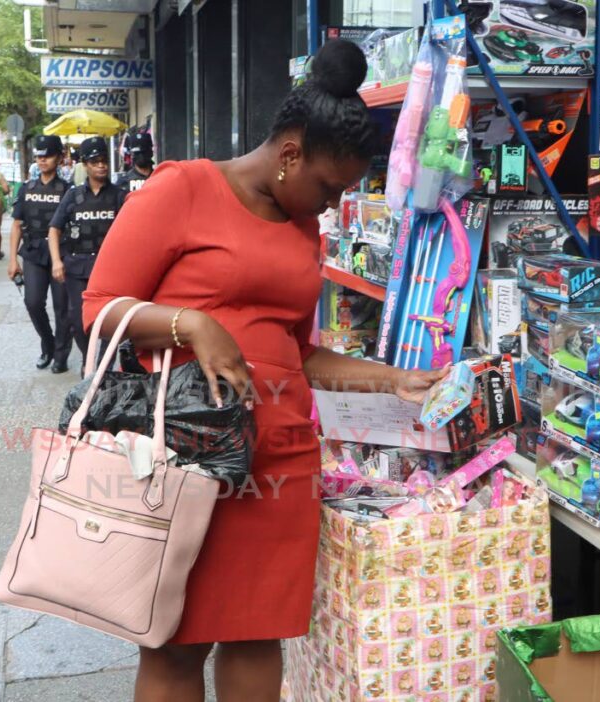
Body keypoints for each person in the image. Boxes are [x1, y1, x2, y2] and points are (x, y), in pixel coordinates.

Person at [81, 40, 446, 701]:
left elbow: (295, 352)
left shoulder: (301, 225)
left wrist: (393, 380)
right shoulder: (181, 189)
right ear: (289, 155)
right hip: (185, 457)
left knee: (257, 634)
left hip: (278, 460)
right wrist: (191, 324)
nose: (334, 206)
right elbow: (99, 309)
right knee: (175, 642)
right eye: (331, 188)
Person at [48, 136, 126, 372]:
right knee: (76, 318)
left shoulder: (119, 196)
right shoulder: (73, 196)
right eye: (95, 162)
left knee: (108, 319)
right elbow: (54, 229)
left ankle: (101, 366)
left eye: (104, 161)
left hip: (108, 267)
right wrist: (56, 262)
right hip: (76, 266)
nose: (101, 165)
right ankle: (88, 358)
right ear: (85, 165)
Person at [7, 135, 72, 372]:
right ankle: (49, 345)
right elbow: (16, 225)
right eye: (39, 156)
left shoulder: (68, 191)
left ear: (59, 157)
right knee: (33, 303)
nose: (43, 160)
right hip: (34, 252)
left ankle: (61, 356)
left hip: (61, 253)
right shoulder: (27, 189)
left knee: (63, 308)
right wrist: (13, 259)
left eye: (48, 155)